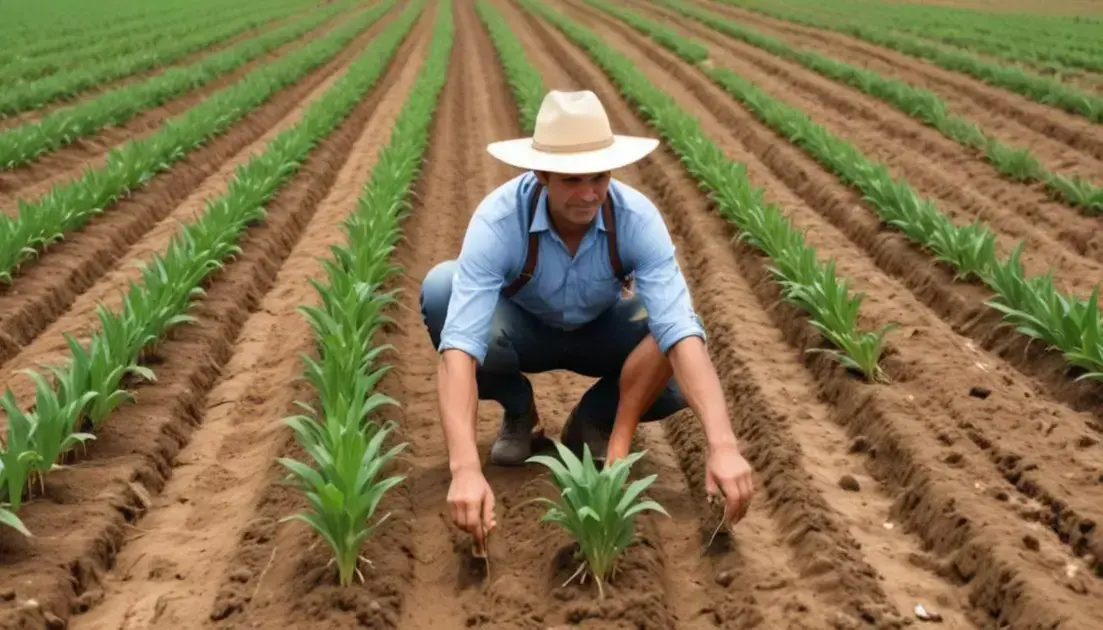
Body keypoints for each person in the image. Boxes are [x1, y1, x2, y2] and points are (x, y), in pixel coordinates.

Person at [418, 90, 754, 551]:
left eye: (599, 177)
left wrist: (722, 445)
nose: (589, 193)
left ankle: (596, 420)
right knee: (442, 291)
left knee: (679, 338)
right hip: (522, 330)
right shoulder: (499, 221)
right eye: (572, 180)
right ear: (541, 175)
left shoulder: (635, 219)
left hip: (603, 331)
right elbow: (458, 349)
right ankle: (520, 411)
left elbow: (677, 330)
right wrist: (465, 470)